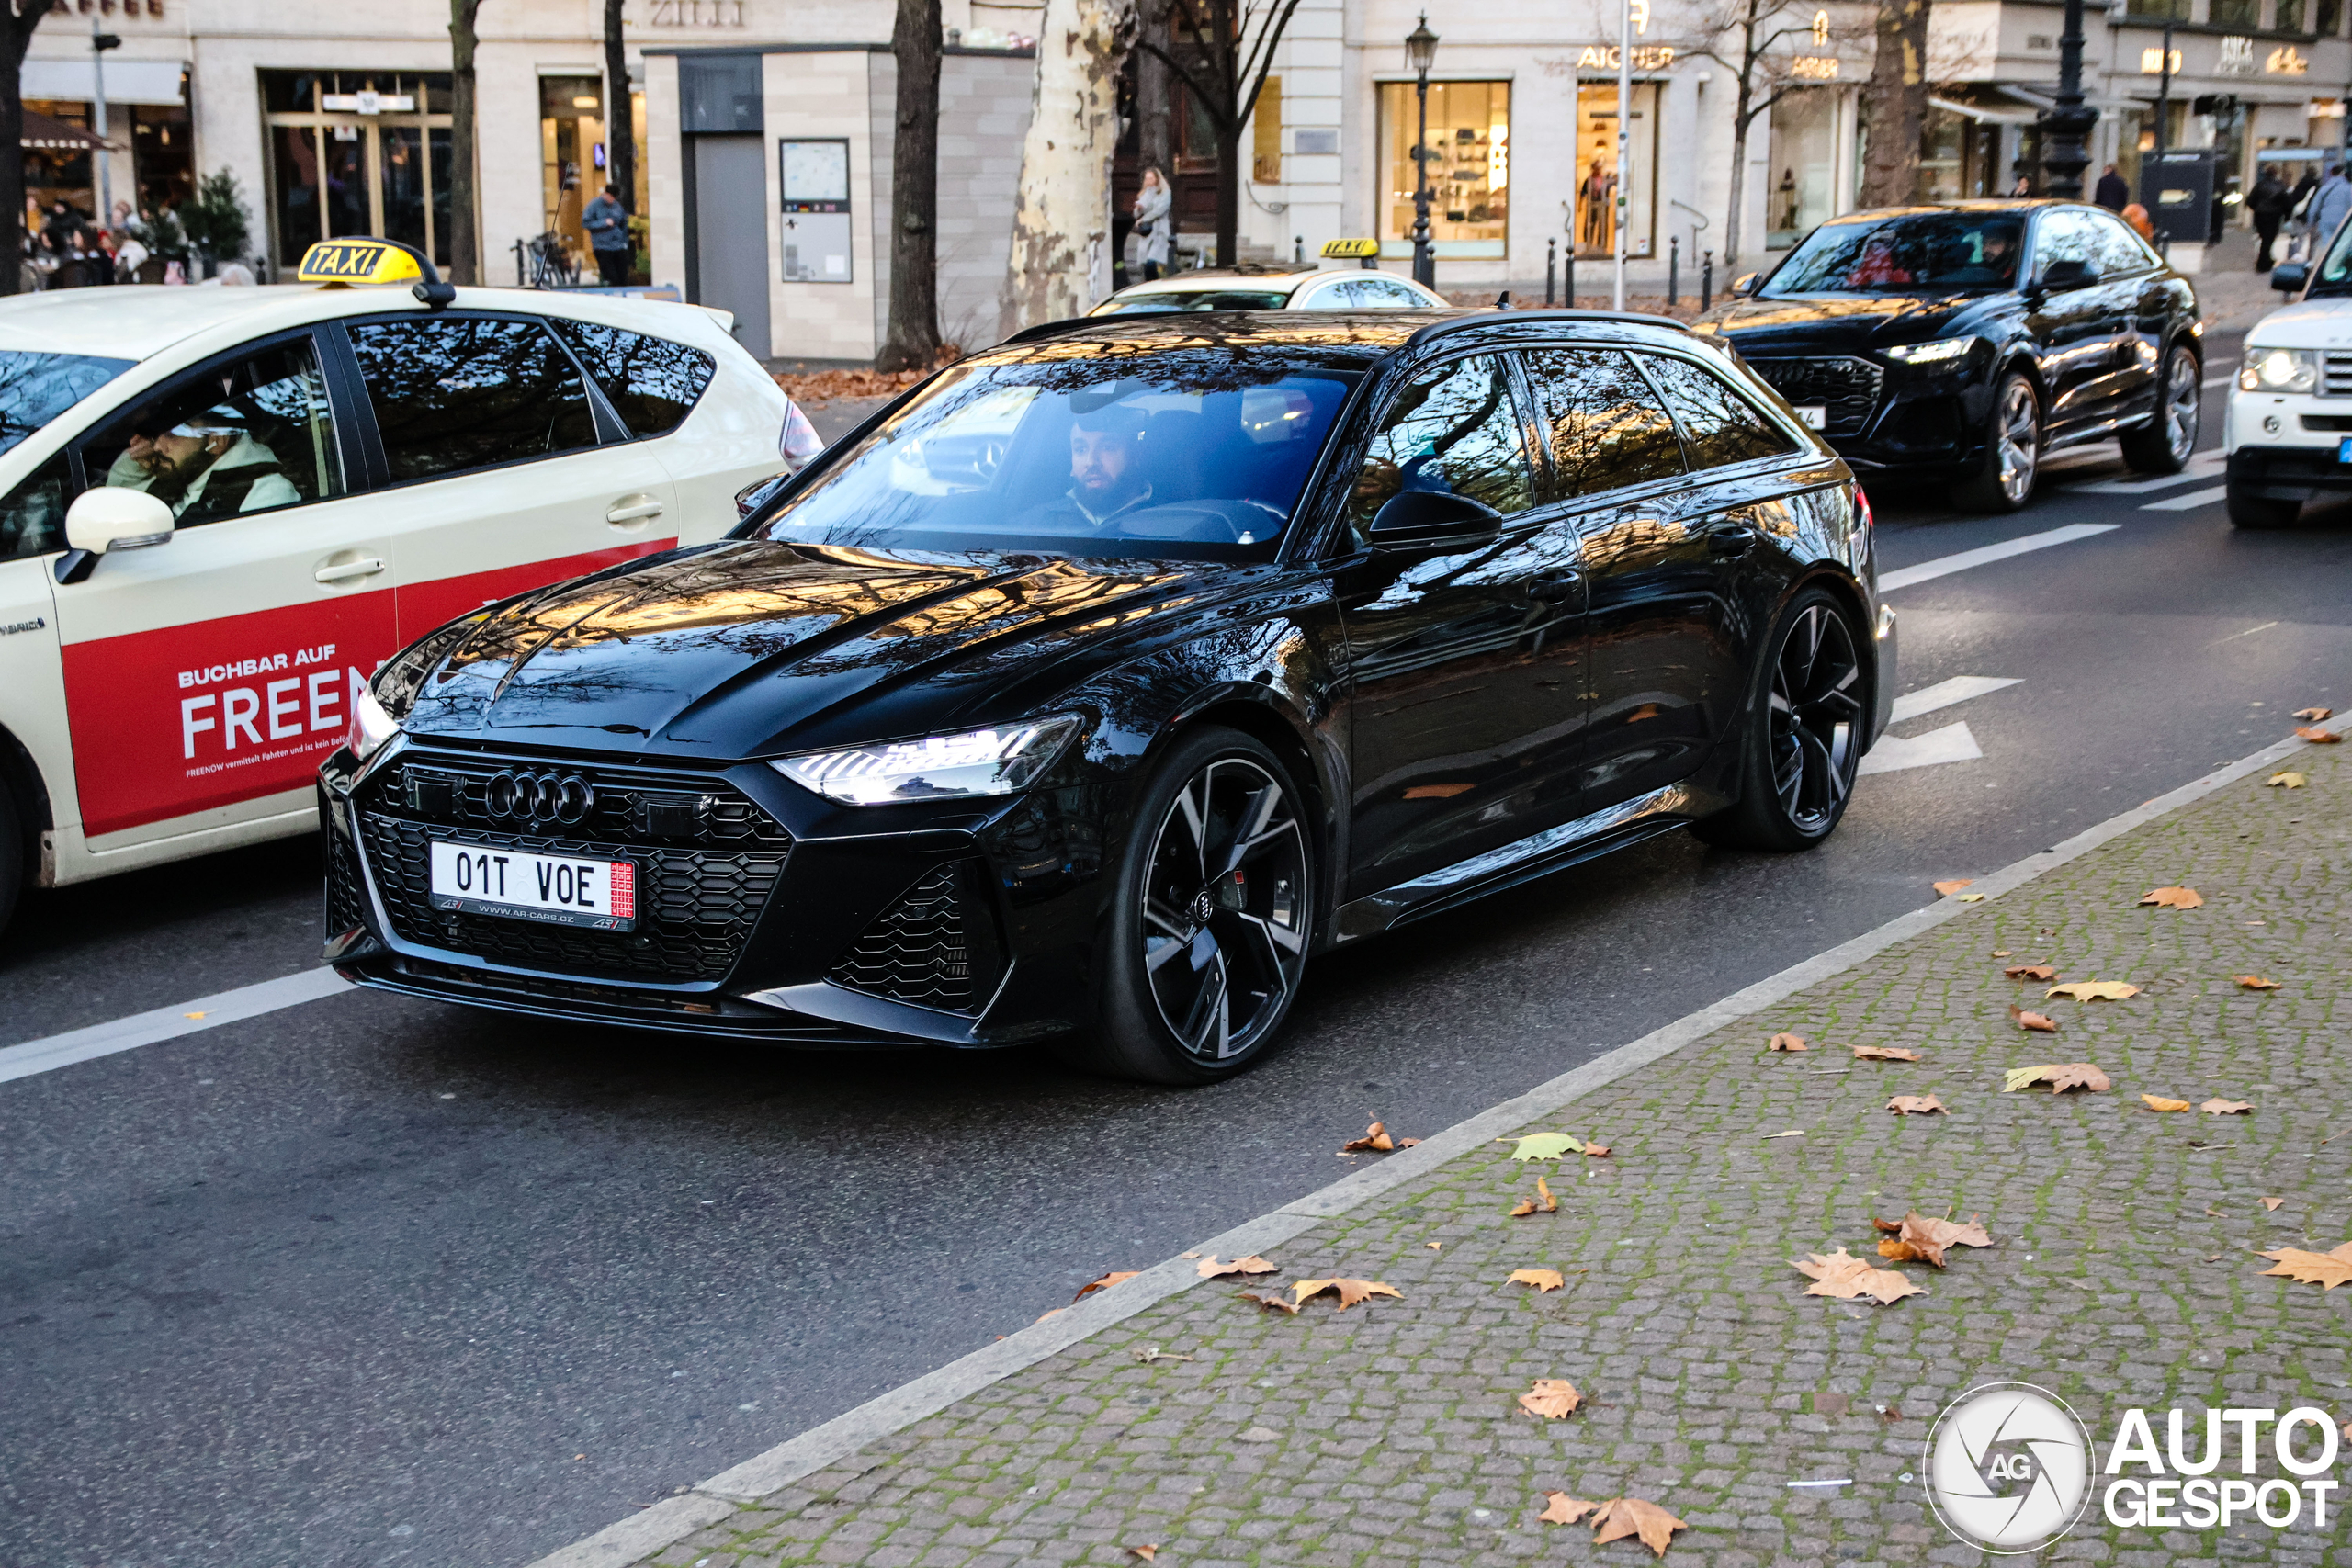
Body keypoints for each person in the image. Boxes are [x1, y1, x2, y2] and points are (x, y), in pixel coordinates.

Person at [108, 412, 297, 521]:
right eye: (157, 435)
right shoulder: (185, 474)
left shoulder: (266, 495)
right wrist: (135, 466)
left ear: (217, 441)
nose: (157, 446)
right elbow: (114, 513)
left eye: (173, 434)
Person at [1043, 405, 1152, 529]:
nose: (1091, 462)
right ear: (1071, 464)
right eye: (1081, 450)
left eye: (1107, 448)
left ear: (1137, 454)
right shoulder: (1037, 522)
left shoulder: (1166, 516)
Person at [582, 181, 631, 287]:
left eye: (614, 198)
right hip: (602, 247)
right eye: (611, 197)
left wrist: (624, 242)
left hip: (618, 246)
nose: (612, 200)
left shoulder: (617, 206)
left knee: (623, 277)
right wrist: (604, 223)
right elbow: (585, 223)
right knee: (611, 278)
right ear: (606, 194)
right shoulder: (594, 205)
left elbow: (623, 224)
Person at [2250, 167, 2293, 272]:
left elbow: (2250, 200)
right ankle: (2262, 264)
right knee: (2268, 239)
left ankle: (2265, 260)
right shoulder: (2280, 186)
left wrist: (2257, 209)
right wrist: (2286, 217)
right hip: (2273, 216)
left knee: (2265, 238)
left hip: (2260, 215)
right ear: (2275, 174)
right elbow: (2287, 203)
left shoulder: (2259, 185)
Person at [1133, 167, 1172, 282]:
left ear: (1157, 179)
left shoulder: (1165, 193)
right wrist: (1139, 209)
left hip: (1159, 230)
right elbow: (1136, 213)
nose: (1149, 181)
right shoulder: (1145, 193)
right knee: (1145, 262)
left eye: (1151, 178)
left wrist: (1144, 219)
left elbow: (1159, 210)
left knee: (1153, 260)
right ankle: (1150, 282)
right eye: (1147, 178)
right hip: (1147, 231)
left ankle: (1156, 281)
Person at [2310, 164, 2352, 252]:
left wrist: (2311, 223)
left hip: (2326, 221)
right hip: (2343, 221)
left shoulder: (2325, 188)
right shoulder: (2349, 188)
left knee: (2327, 246)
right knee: (2343, 246)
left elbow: (2313, 208)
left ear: (2331, 173)